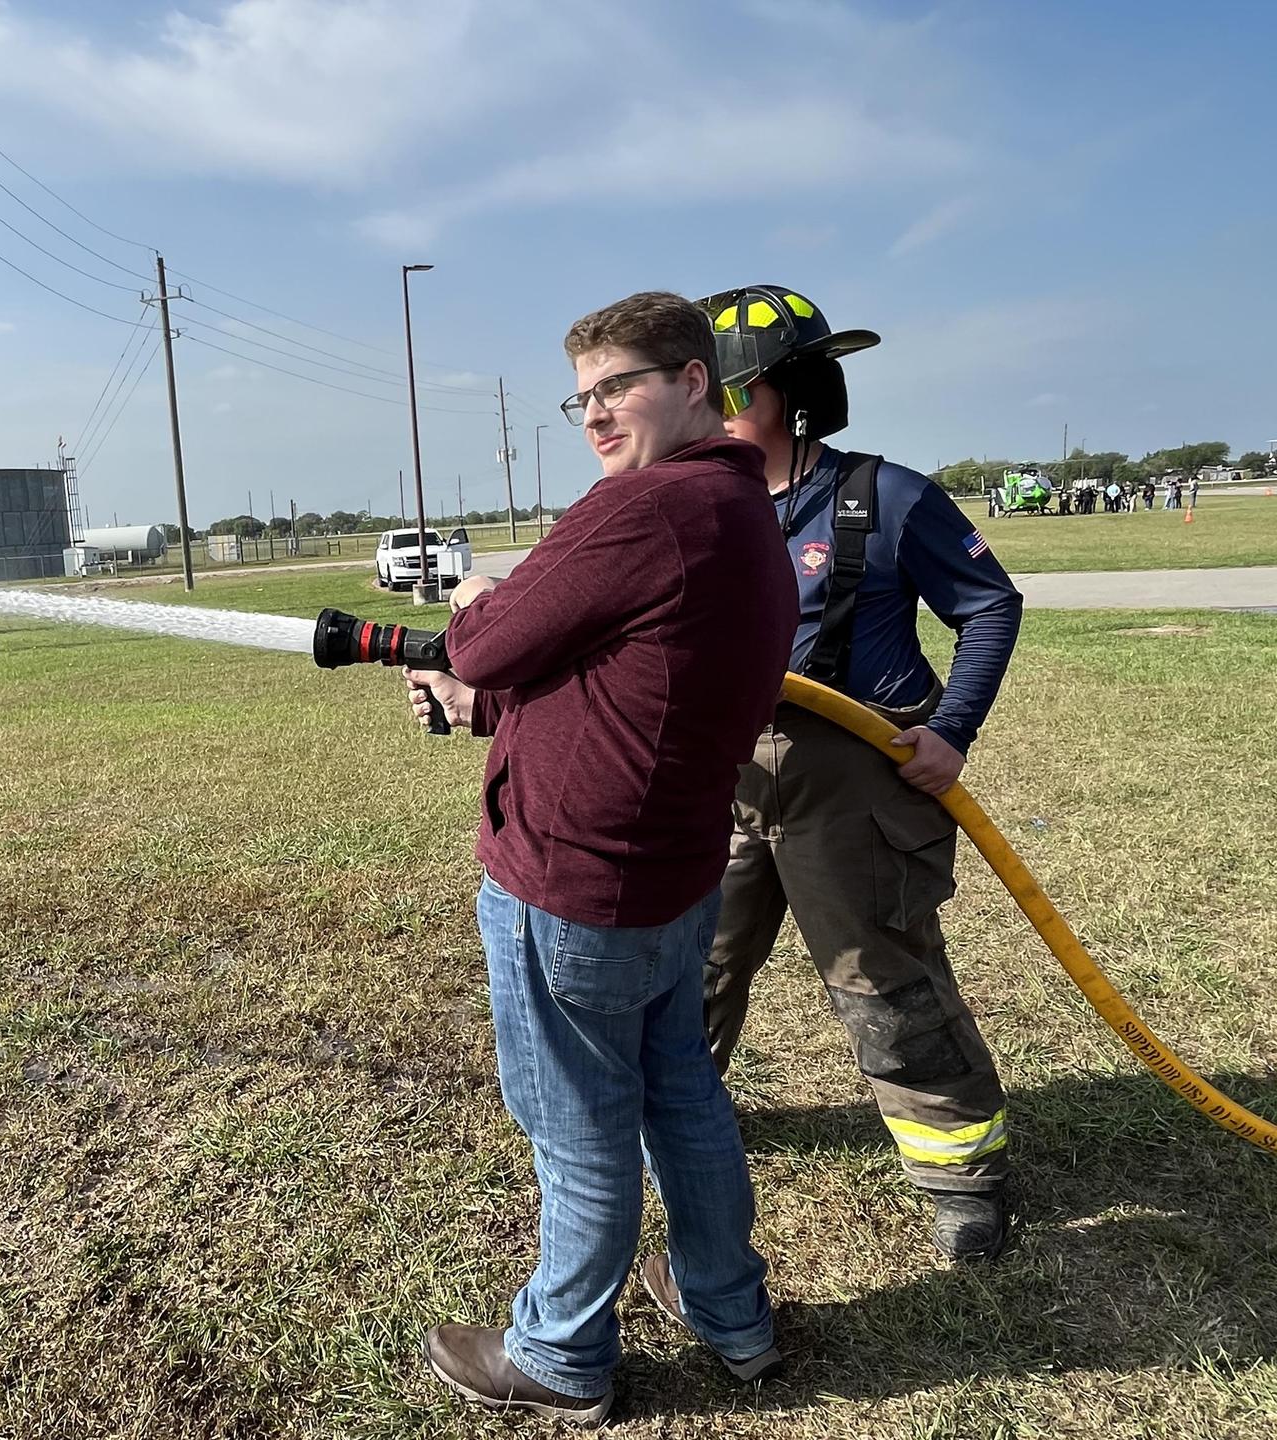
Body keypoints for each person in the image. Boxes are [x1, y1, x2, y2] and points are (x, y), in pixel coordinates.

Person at [404, 290, 798, 1424]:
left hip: (575, 884)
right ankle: (733, 1314)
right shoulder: (735, 507)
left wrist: (478, 601)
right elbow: (633, 685)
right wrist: (492, 709)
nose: (594, 415)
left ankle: (562, 1355)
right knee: (683, 1097)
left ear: (691, 379)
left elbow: (488, 639)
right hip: (668, 874)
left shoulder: (643, 510)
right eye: (580, 397)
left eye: (617, 385)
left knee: (576, 1126)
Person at [694, 286, 1025, 1261]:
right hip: (723, 781)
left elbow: (990, 607)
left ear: (788, 395)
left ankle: (964, 1177)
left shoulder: (886, 497)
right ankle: (674, 1123)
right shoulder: (690, 511)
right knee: (691, 969)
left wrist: (952, 731)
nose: (701, 412)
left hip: (856, 781)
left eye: (720, 392)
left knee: (883, 982)